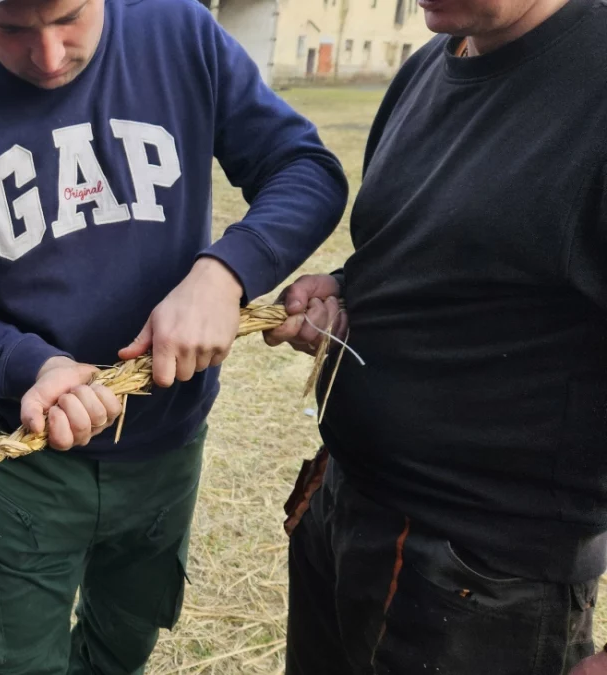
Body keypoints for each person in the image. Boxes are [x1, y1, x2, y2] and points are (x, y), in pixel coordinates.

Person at [0, 0, 349, 669]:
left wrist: (224, 272)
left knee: (125, 640)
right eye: (11, 28)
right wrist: (33, 366)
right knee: (17, 656)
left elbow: (306, 169)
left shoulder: (178, 34)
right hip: (30, 462)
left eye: (68, 17)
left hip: (168, 445)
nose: (47, 56)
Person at [263, 0, 607, 670]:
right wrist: (342, 289)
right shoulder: (430, 63)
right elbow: (443, 255)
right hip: (345, 508)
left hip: (484, 581)